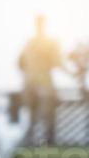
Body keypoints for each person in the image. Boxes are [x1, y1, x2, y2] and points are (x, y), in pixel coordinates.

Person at [19, 14, 65, 144]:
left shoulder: (29, 43)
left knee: (33, 115)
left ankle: (29, 139)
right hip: (43, 84)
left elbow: (20, 63)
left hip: (29, 84)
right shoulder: (50, 42)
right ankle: (49, 140)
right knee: (48, 112)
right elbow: (58, 62)